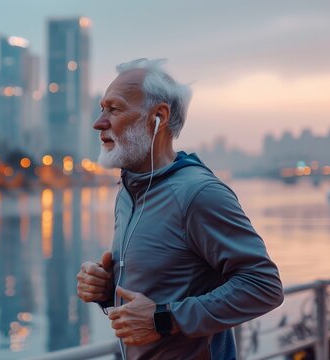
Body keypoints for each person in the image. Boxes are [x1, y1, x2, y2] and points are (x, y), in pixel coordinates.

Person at [76, 58, 284, 360]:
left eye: (115, 109)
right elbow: (160, 288)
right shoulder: (128, 191)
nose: (99, 122)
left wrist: (164, 318)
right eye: (101, 108)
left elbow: (263, 286)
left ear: (158, 116)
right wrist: (107, 289)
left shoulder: (199, 192)